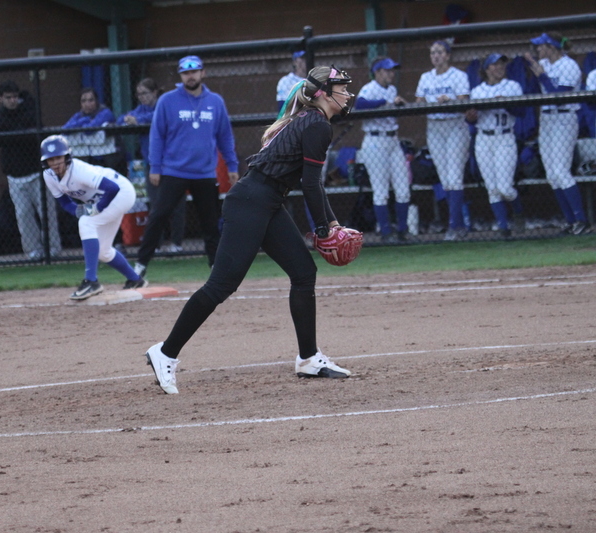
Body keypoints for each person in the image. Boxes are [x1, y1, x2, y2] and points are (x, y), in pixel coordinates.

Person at [143, 66, 357, 394]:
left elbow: (312, 185)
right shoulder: (316, 124)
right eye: (340, 87)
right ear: (323, 93)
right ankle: (165, 352)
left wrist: (332, 224)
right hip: (251, 202)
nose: (346, 93)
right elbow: (311, 184)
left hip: (266, 201)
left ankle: (308, 358)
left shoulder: (311, 120)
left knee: (303, 272)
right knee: (221, 285)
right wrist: (324, 228)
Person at [134, 55, 239, 278]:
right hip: (174, 171)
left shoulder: (215, 101)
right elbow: (157, 135)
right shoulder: (167, 101)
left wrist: (232, 165)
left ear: (203, 73)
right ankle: (140, 266)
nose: (190, 76)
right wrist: (155, 166)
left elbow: (225, 136)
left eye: (194, 72)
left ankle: (216, 269)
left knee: (211, 224)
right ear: (181, 76)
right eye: (185, 73)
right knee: (158, 216)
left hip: (204, 173)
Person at [39, 134, 146, 300]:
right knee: (103, 251)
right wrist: (79, 211)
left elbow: (112, 188)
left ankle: (91, 281)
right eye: (51, 159)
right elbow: (64, 202)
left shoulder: (79, 171)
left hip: (122, 193)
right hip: (105, 199)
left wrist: (97, 208)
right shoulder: (49, 176)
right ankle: (135, 279)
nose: (55, 163)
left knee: (86, 222)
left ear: (67, 156)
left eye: (59, 157)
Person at [524, 32, 590, 235]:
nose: (538, 49)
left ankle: (581, 220)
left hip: (564, 119)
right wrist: (534, 70)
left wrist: (541, 75)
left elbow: (559, 98)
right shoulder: (545, 64)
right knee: (552, 174)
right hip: (547, 120)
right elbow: (533, 92)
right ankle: (570, 221)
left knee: (561, 171)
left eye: (541, 46)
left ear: (551, 47)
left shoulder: (569, 65)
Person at [0, 80, 62, 260]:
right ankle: (32, 251)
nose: (12, 101)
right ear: (1, 99)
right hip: (15, 176)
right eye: (8, 98)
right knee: (23, 215)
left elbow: (34, 130)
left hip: (37, 173)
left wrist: (14, 133)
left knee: (47, 212)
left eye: (15, 97)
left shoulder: (29, 110)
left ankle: (53, 249)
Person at [117, 78, 186, 253]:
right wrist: (129, 119)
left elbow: (158, 117)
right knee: (155, 205)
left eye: (145, 93)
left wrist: (138, 120)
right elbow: (121, 120)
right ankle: (157, 244)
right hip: (151, 164)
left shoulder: (164, 104)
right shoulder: (141, 109)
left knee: (176, 204)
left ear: (155, 92)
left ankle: (177, 243)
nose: (142, 97)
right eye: (139, 94)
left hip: (173, 163)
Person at [415, 40, 471, 241]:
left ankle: (454, 226)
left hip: (454, 124)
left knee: (455, 177)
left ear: (448, 55)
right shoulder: (425, 77)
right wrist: (428, 102)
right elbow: (419, 101)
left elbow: (464, 100)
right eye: (433, 53)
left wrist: (450, 101)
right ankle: (459, 225)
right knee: (446, 179)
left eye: (439, 52)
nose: (436, 56)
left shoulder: (458, 75)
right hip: (434, 127)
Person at [466, 54, 526, 238]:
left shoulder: (512, 86)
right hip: (484, 139)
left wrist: (505, 103)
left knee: (505, 188)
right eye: (495, 64)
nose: (499, 67)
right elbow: (471, 120)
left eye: (501, 64)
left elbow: (521, 111)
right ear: (486, 69)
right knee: (492, 188)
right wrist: (471, 117)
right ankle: (503, 228)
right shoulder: (478, 91)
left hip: (505, 137)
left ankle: (518, 212)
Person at [355, 57, 412, 242]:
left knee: (403, 187)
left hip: (393, 140)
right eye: (387, 70)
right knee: (381, 190)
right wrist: (383, 102)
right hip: (375, 141)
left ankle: (403, 231)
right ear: (377, 72)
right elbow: (359, 105)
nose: (391, 74)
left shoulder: (392, 89)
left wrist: (398, 103)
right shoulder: (369, 88)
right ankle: (386, 233)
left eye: (392, 70)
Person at [62, 87, 126, 176]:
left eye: (90, 100)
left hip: (111, 158)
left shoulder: (105, 113)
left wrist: (81, 124)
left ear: (96, 101)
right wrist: (85, 120)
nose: (87, 104)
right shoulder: (79, 116)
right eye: (83, 101)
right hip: (91, 159)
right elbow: (65, 129)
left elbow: (89, 130)